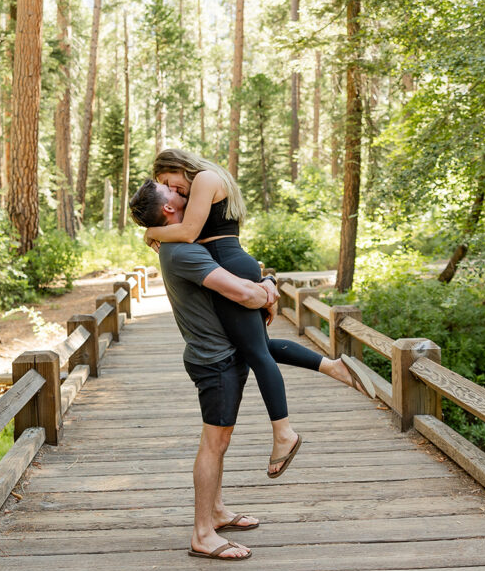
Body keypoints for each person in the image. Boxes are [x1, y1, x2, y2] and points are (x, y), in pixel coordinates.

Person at [131, 159, 363, 478]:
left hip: (229, 265)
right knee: (258, 346)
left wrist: (151, 232)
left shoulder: (204, 179)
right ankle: (332, 366)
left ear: (178, 165)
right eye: (165, 187)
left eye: (169, 181)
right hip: (231, 264)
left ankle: (284, 434)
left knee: (255, 353)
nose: (172, 188)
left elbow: (187, 232)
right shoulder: (204, 183)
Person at [128, 179, 273, 560]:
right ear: (169, 211)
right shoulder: (182, 252)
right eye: (173, 192)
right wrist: (269, 285)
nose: (183, 192)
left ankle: (218, 511)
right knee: (214, 444)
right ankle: (202, 534)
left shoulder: (180, 245)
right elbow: (245, 293)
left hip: (217, 354)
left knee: (220, 442)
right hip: (215, 361)